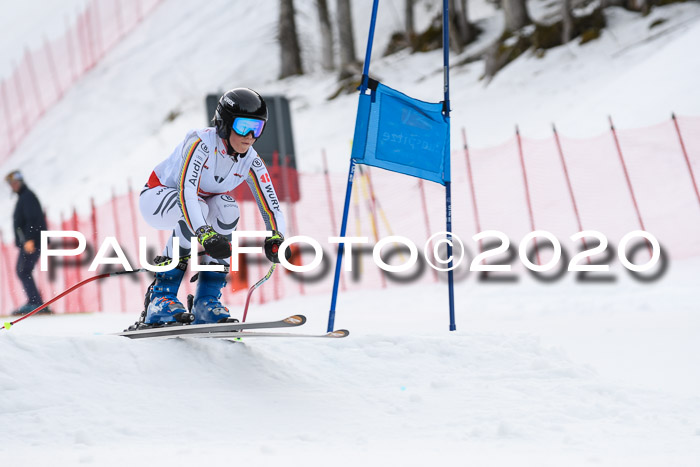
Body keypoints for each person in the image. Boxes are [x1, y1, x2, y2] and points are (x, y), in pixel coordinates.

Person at [137, 88, 286, 327]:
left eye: (257, 128)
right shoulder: (201, 144)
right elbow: (187, 192)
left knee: (228, 208)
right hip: (157, 198)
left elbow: (272, 205)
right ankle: (161, 297)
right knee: (197, 207)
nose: (249, 136)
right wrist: (205, 233)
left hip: (197, 205)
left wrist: (276, 237)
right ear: (225, 125)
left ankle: (206, 301)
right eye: (243, 126)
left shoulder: (251, 159)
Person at [5, 170, 50, 316]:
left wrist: (30, 239)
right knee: (24, 271)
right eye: (11, 183)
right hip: (32, 240)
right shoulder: (24, 197)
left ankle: (35, 303)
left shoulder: (27, 197)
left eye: (15, 182)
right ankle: (35, 302)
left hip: (33, 241)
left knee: (23, 270)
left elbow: (33, 219)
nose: (13, 186)